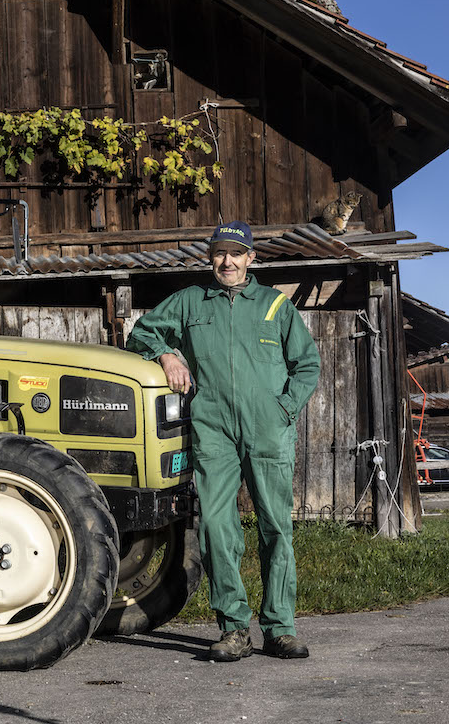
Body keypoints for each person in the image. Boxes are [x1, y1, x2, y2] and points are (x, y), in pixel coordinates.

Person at [125, 221, 321, 661]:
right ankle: (234, 628)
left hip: (268, 430)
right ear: (210, 258)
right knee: (216, 526)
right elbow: (141, 333)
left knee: (276, 527)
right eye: (219, 253)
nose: (227, 261)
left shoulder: (275, 305)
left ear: (251, 258)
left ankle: (279, 628)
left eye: (235, 253)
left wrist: (284, 409)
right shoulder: (190, 301)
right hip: (212, 428)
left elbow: (307, 364)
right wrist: (167, 355)